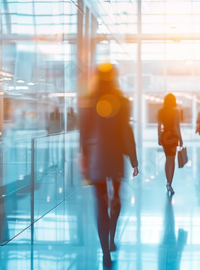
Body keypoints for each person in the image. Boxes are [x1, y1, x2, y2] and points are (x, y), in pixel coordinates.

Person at [79, 63, 139, 269]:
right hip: (115, 158)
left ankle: (105, 251)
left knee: (100, 205)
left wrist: (85, 160)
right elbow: (126, 131)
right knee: (115, 199)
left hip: (97, 159)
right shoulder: (122, 101)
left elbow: (84, 133)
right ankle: (112, 236)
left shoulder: (89, 101)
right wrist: (133, 158)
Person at [158, 93, 183, 194]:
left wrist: (159, 137)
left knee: (167, 159)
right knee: (171, 160)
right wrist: (181, 138)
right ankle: (169, 183)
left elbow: (159, 126)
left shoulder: (161, 111)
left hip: (165, 136)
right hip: (172, 136)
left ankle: (168, 182)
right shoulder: (175, 111)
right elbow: (177, 126)